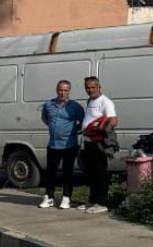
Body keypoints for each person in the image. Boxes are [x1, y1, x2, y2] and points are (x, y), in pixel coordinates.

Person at [38, 79, 83, 210]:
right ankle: (49, 197)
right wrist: (54, 127)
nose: (62, 93)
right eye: (60, 90)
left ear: (69, 91)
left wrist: (72, 130)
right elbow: (45, 118)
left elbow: (82, 122)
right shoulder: (48, 105)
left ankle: (66, 198)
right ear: (56, 90)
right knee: (50, 173)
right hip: (53, 145)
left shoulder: (75, 106)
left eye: (65, 90)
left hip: (69, 145)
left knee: (67, 172)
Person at [78, 75, 118, 213]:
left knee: (100, 173)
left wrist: (99, 128)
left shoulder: (106, 102)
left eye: (93, 87)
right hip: (87, 143)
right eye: (87, 88)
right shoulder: (90, 100)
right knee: (91, 173)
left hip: (99, 143)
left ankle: (101, 203)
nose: (90, 90)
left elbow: (113, 121)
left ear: (99, 87)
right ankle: (92, 201)